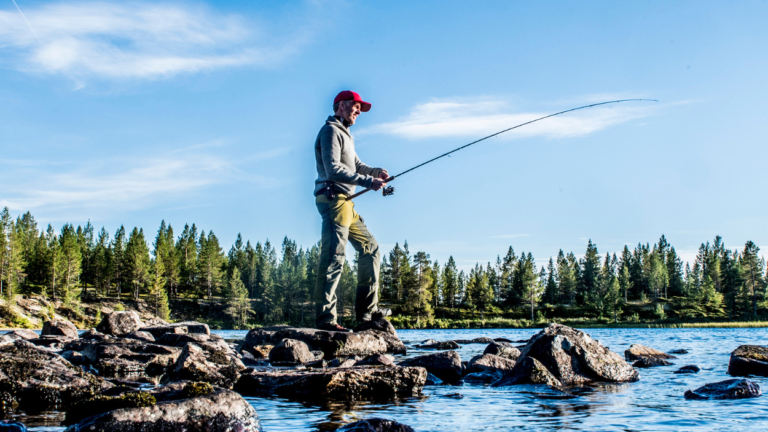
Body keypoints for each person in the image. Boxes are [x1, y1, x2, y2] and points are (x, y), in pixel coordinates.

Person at [313, 90, 392, 332]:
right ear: (341, 105)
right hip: (334, 200)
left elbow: (356, 165)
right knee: (333, 258)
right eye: (356, 106)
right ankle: (326, 320)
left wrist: (376, 172)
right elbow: (334, 168)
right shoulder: (330, 131)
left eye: (360, 108)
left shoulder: (346, 134)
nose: (358, 111)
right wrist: (368, 183)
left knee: (371, 248)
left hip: (347, 202)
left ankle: (367, 314)